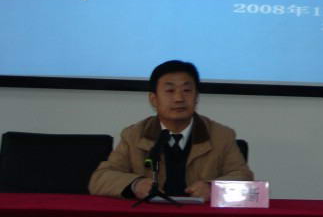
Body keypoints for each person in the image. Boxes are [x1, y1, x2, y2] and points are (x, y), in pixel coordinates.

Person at [89, 60, 253, 200]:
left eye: (186, 91)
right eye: (170, 91)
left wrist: (213, 189)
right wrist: (135, 184)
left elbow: (245, 180)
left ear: (196, 97)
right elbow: (100, 179)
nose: (179, 98)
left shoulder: (221, 136)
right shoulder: (134, 135)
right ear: (153, 99)